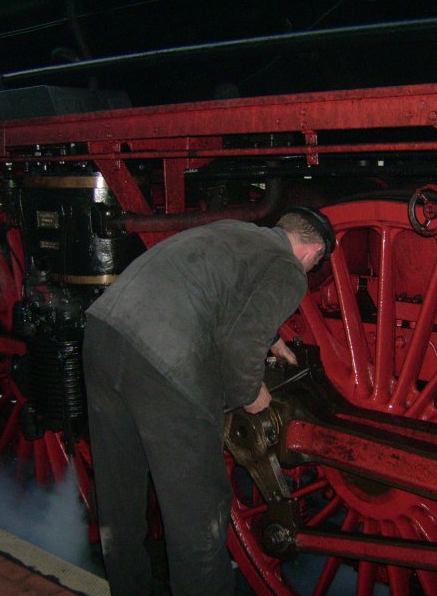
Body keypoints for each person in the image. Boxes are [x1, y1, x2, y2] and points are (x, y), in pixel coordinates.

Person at [82, 206, 336, 595]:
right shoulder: (289, 268)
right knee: (198, 517)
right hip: (165, 361)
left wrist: (273, 340)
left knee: (120, 498)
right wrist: (251, 394)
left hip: (104, 335)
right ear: (313, 252)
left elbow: (218, 289)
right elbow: (238, 349)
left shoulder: (235, 230)